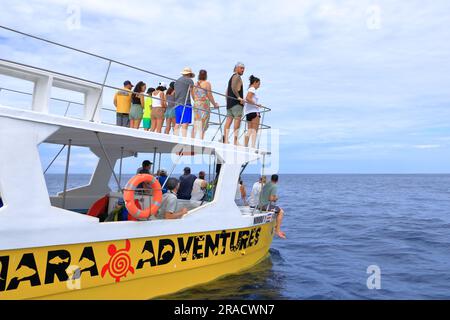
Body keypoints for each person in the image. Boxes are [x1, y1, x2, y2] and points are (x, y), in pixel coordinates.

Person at [192, 70, 219, 140]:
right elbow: (210, 95)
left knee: (196, 122)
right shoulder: (207, 83)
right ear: (206, 75)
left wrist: (197, 101)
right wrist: (214, 104)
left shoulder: (195, 84)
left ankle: (192, 140)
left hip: (196, 104)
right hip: (204, 105)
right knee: (203, 123)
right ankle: (201, 140)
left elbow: (192, 95)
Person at [258, 174, 286, 239]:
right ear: (277, 180)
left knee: (276, 210)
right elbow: (270, 199)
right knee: (281, 212)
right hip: (264, 206)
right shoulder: (274, 186)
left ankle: (275, 228)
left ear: (271, 179)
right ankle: (277, 231)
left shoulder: (267, 184)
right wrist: (276, 198)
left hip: (260, 205)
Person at [224, 62, 245, 145]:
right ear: (236, 68)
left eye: (243, 69)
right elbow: (233, 87)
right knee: (237, 121)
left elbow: (226, 92)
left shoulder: (231, 77)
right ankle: (235, 141)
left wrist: (227, 101)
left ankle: (225, 140)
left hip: (230, 104)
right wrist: (239, 97)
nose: (243, 70)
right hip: (236, 104)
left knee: (228, 122)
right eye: (241, 68)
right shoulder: (237, 76)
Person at [174, 67, 195, 137]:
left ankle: (175, 137)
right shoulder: (189, 81)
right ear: (189, 74)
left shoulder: (177, 81)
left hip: (177, 104)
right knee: (185, 123)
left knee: (177, 123)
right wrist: (196, 101)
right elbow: (192, 92)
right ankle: (184, 139)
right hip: (186, 104)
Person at [244, 75, 262, 148]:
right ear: (255, 82)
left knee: (250, 130)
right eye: (258, 84)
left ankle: (246, 145)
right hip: (254, 112)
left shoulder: (249, 89)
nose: (259, 86)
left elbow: (247, 99)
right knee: (255, 130)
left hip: (248, 113)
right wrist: (256, 104)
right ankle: (253, 146)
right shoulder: (252, 89)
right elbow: (248, 98)